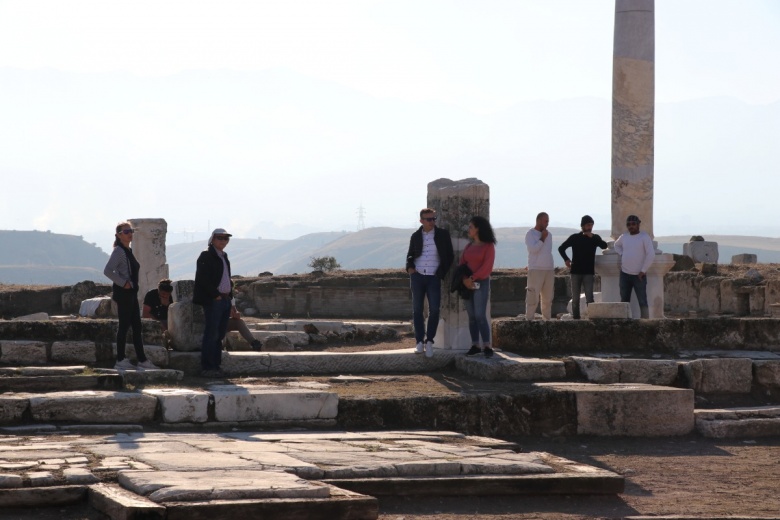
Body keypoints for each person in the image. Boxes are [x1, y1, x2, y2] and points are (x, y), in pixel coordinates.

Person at [103, 222, 159, 371]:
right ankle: (120, 359)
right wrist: (123, 283)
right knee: (124, 326)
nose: (130, 234)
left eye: (131, 231)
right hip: (124, 294)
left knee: (136, 326)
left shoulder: (128, 250)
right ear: (119, 235)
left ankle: (142, 359)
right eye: (126, 231)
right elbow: (108, 271)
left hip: (131, 293)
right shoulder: (119, 251)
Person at [405, 208, 454, 357]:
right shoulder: (415, 236)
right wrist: (410, 268)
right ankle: (419, 342)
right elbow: (410, 255)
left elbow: (449, 256)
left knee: (435, 310)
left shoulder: (442, 235)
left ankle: (430, 341)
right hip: (418, 276)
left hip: (434, 277)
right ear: (421, 221)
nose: (432, 222)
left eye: (434, 219)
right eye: (429, 219)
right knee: (417, 310)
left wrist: (440, 274)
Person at [193, 228, 234, 377]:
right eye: (220, 238)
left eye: (226, 238)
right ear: (213, 239)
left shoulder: (224, 256)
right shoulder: (206, 255)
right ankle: (208, 367)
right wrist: (215, 295)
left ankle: (216, 366)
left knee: (220, 334)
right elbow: (203, 278)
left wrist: (231, 300)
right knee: (212, 333)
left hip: (225, 299)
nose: (223, 241)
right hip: (214, 300)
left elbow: (226, 278)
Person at [558, 215, 608, 319]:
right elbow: (561, 248)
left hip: (588, 272)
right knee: (575, 298)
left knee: (590, 297)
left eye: (591, 225)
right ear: (583, 226)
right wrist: (566, 259)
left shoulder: (595, 238)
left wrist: (593, 238)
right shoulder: (575, 237)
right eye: (588, 225)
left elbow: (604, 246)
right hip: (575, 271)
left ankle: (592, 318)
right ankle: (576, 318)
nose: (590, 227)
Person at [460, 216, 496, 358]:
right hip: (467, 284)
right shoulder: (469, 246)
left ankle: (487, 344)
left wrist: (472, 278)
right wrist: (465, 280)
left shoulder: (488, 246)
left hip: (480, 282)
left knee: (480, 315)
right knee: (472, 316)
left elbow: (487, 267)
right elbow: (462, 264)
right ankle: (475, 344)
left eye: (471, 227)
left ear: (478, 229)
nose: (468, 230)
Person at [613, 215, 655, 319]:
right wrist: (622, 253)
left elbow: (651, 255)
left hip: (639, 275)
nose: (631, 226)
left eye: (633, 224)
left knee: (642, 301)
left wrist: (643, 270)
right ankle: (624, 323)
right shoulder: (624, 237)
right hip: (625, 274)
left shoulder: (644, 237)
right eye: (628, 224)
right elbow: (616, 245)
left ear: (638, 224)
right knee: (624, 301)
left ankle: (646, 325)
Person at [525, 212, 554, 320]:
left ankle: (547, 322)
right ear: (539, 221)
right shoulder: (530, 234)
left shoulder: (549, 235)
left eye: (548, 221)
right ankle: (529, 320)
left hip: (549, 269)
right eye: (545, 221)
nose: (547, 223)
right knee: (532, 298)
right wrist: (542, 238)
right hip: (536, 269)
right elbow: (533, 249)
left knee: (547, 299)